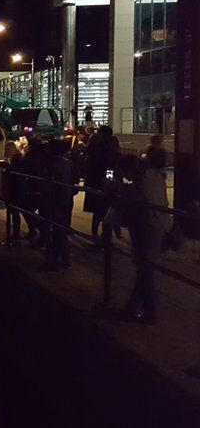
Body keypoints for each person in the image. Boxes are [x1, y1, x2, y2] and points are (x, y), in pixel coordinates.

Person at [120, 150, 171, 324]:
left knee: (144, 270)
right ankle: (133, 307)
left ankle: (149, 312)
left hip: (147, 228)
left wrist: (112, 189)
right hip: (161, 225)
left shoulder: (140, 183)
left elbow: (127, 201)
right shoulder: (156, 176)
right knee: (144, 270)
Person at [43, 139, 79, 270]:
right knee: (61, 229)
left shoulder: (52, 164)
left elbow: (48, 180)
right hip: (67, 197)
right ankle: (63, 259)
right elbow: (75, 179)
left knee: (53, 229)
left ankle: (53, 260)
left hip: (54, 198)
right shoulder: (69, 163)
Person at [83, 125, 120, 239]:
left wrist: (109, 180)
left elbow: (108, 164)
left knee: (102, 206)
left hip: (100, 179)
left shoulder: (101, 145)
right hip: (102, 179)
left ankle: (101, 233)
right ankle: (109, 231)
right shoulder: (109, 143)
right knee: (106, 206)